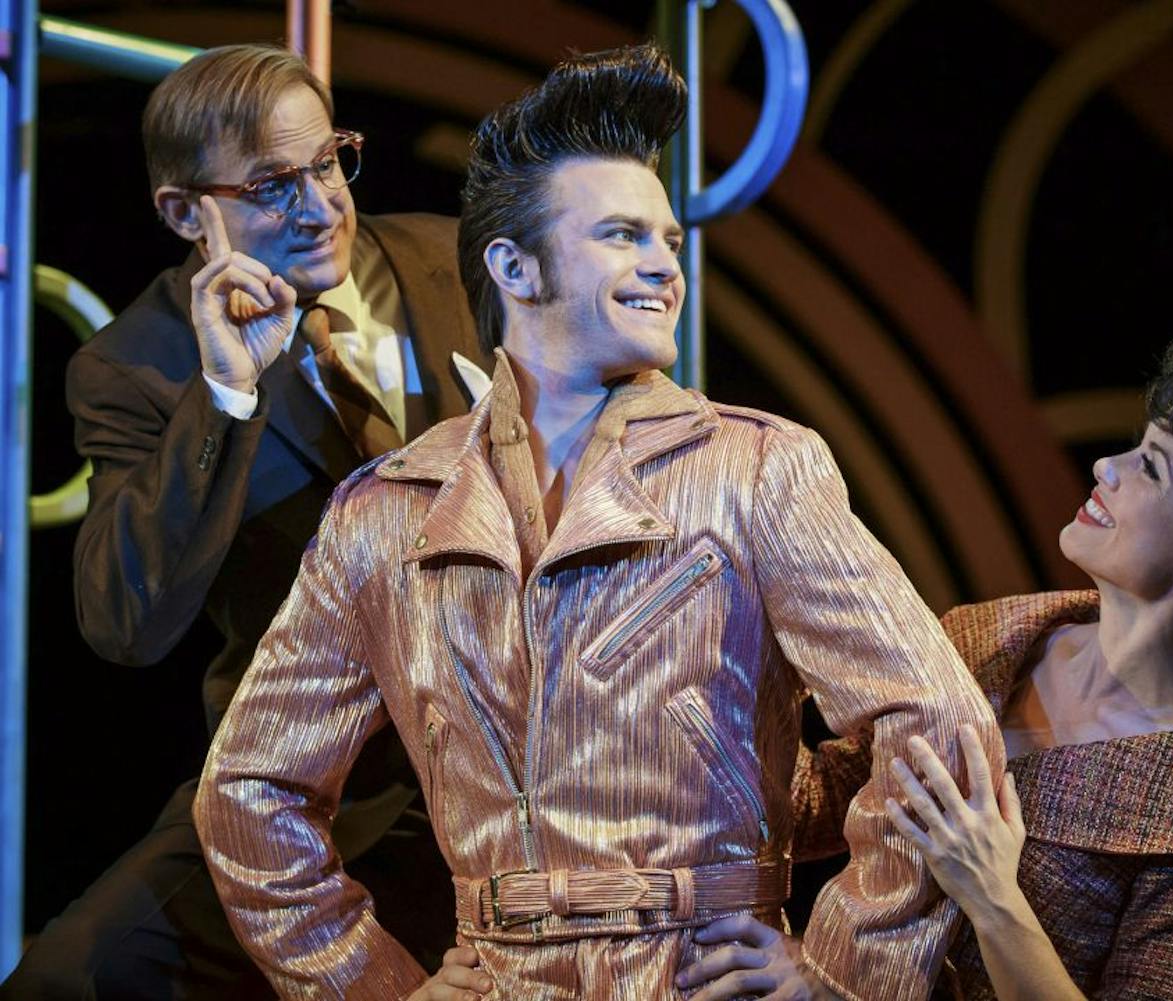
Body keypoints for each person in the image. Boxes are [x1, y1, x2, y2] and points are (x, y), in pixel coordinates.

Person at [193, 42, 1003, 1001]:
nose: (665, 263)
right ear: (515, 267)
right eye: (623, 235)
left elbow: (938, 724)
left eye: (669, 240)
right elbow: (249, 793)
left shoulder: (757, 467)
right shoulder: (386, 512)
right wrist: (372, 990)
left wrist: (844, 975)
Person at [678, 340, 1173, 1000]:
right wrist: (705, 676)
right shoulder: (991, 637)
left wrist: (994, 894)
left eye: (1148, 468)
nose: (1104, 468)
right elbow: (820, 802)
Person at [2, 44, 485, 1000]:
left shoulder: (459, 260)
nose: (320, 206)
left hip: (517, 768)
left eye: (327, 163)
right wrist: (225, 390)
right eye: (272, 185)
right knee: (68, 982)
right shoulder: (135, 363)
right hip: (312, 796)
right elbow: (124, 622)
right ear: (186, 213)